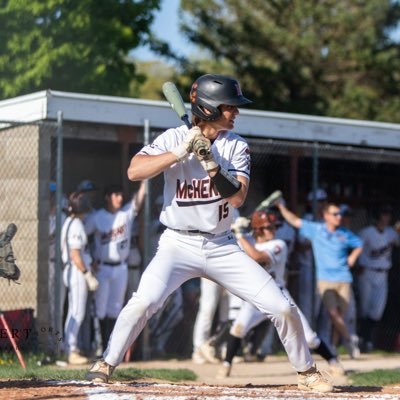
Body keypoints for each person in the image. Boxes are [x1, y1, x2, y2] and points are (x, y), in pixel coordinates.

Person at [86, 73, 332, 393]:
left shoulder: (237, 146)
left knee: (281, 306)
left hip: (222, 245)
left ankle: (307, 371)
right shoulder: (175, 137)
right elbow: (135, 171)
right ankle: (106, 362)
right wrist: (180, 152)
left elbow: (238, 197)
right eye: (230, 107)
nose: (236, 112)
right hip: (177, 242)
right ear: (208, 109)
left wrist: (211, 162)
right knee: (144, 301)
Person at [217, 210, 345, 378]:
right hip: (254, 297)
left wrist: (239, 234)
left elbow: (257, 257)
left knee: (309, 338)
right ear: (258, 229)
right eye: (267, 228)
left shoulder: (278, 245)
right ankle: (226, 365)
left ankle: (333, 361)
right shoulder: (246, 241)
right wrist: (232, 231)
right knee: (238, 329)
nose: (272, 230)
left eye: (273, 227)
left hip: (279, 295)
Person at [276, 199, 363, 358]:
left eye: (340, 214)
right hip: (325, 279)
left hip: (344, 278)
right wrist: (281, 206)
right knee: (333, 314)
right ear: (325, 216)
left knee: (339, 317)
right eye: (335, 214)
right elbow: (295, 221)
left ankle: (333, 348)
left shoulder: (344, 233)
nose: (339, 217)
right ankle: (350, 339)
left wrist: (353, 257)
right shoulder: (316, 230)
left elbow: (359, 244)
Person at [85, 181, 146, 352]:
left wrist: (145, 181)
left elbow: (139, 200)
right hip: (102, 268)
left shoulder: (125, 214)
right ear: (107, 198)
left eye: (120, 195)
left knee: (116, 308)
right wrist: (89, 259)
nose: (119, 198)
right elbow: (82, 236)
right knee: (100, 309)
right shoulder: (97, 217)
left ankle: (110, 348)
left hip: (121, 268)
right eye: (115, 195)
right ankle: (97, 346)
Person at [61, 192, 99, 365]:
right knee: (77, 311)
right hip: (76, 271)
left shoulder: (70, 221)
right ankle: (71, 349)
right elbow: (75, 254)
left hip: (74, 270)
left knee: (74, 311)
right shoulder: (75, 224)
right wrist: (87, 274)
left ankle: (70, 348)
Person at [357, 205, 400, 352]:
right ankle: (362, 339)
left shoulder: (391, 233)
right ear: (378, 216)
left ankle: (367, 339)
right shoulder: (366, 232)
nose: (386, 216)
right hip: (367, 272)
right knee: (364, 307)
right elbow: (356, 250)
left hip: (383, 274)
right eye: (384, 213)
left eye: (388, 213)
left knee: (377, 310)